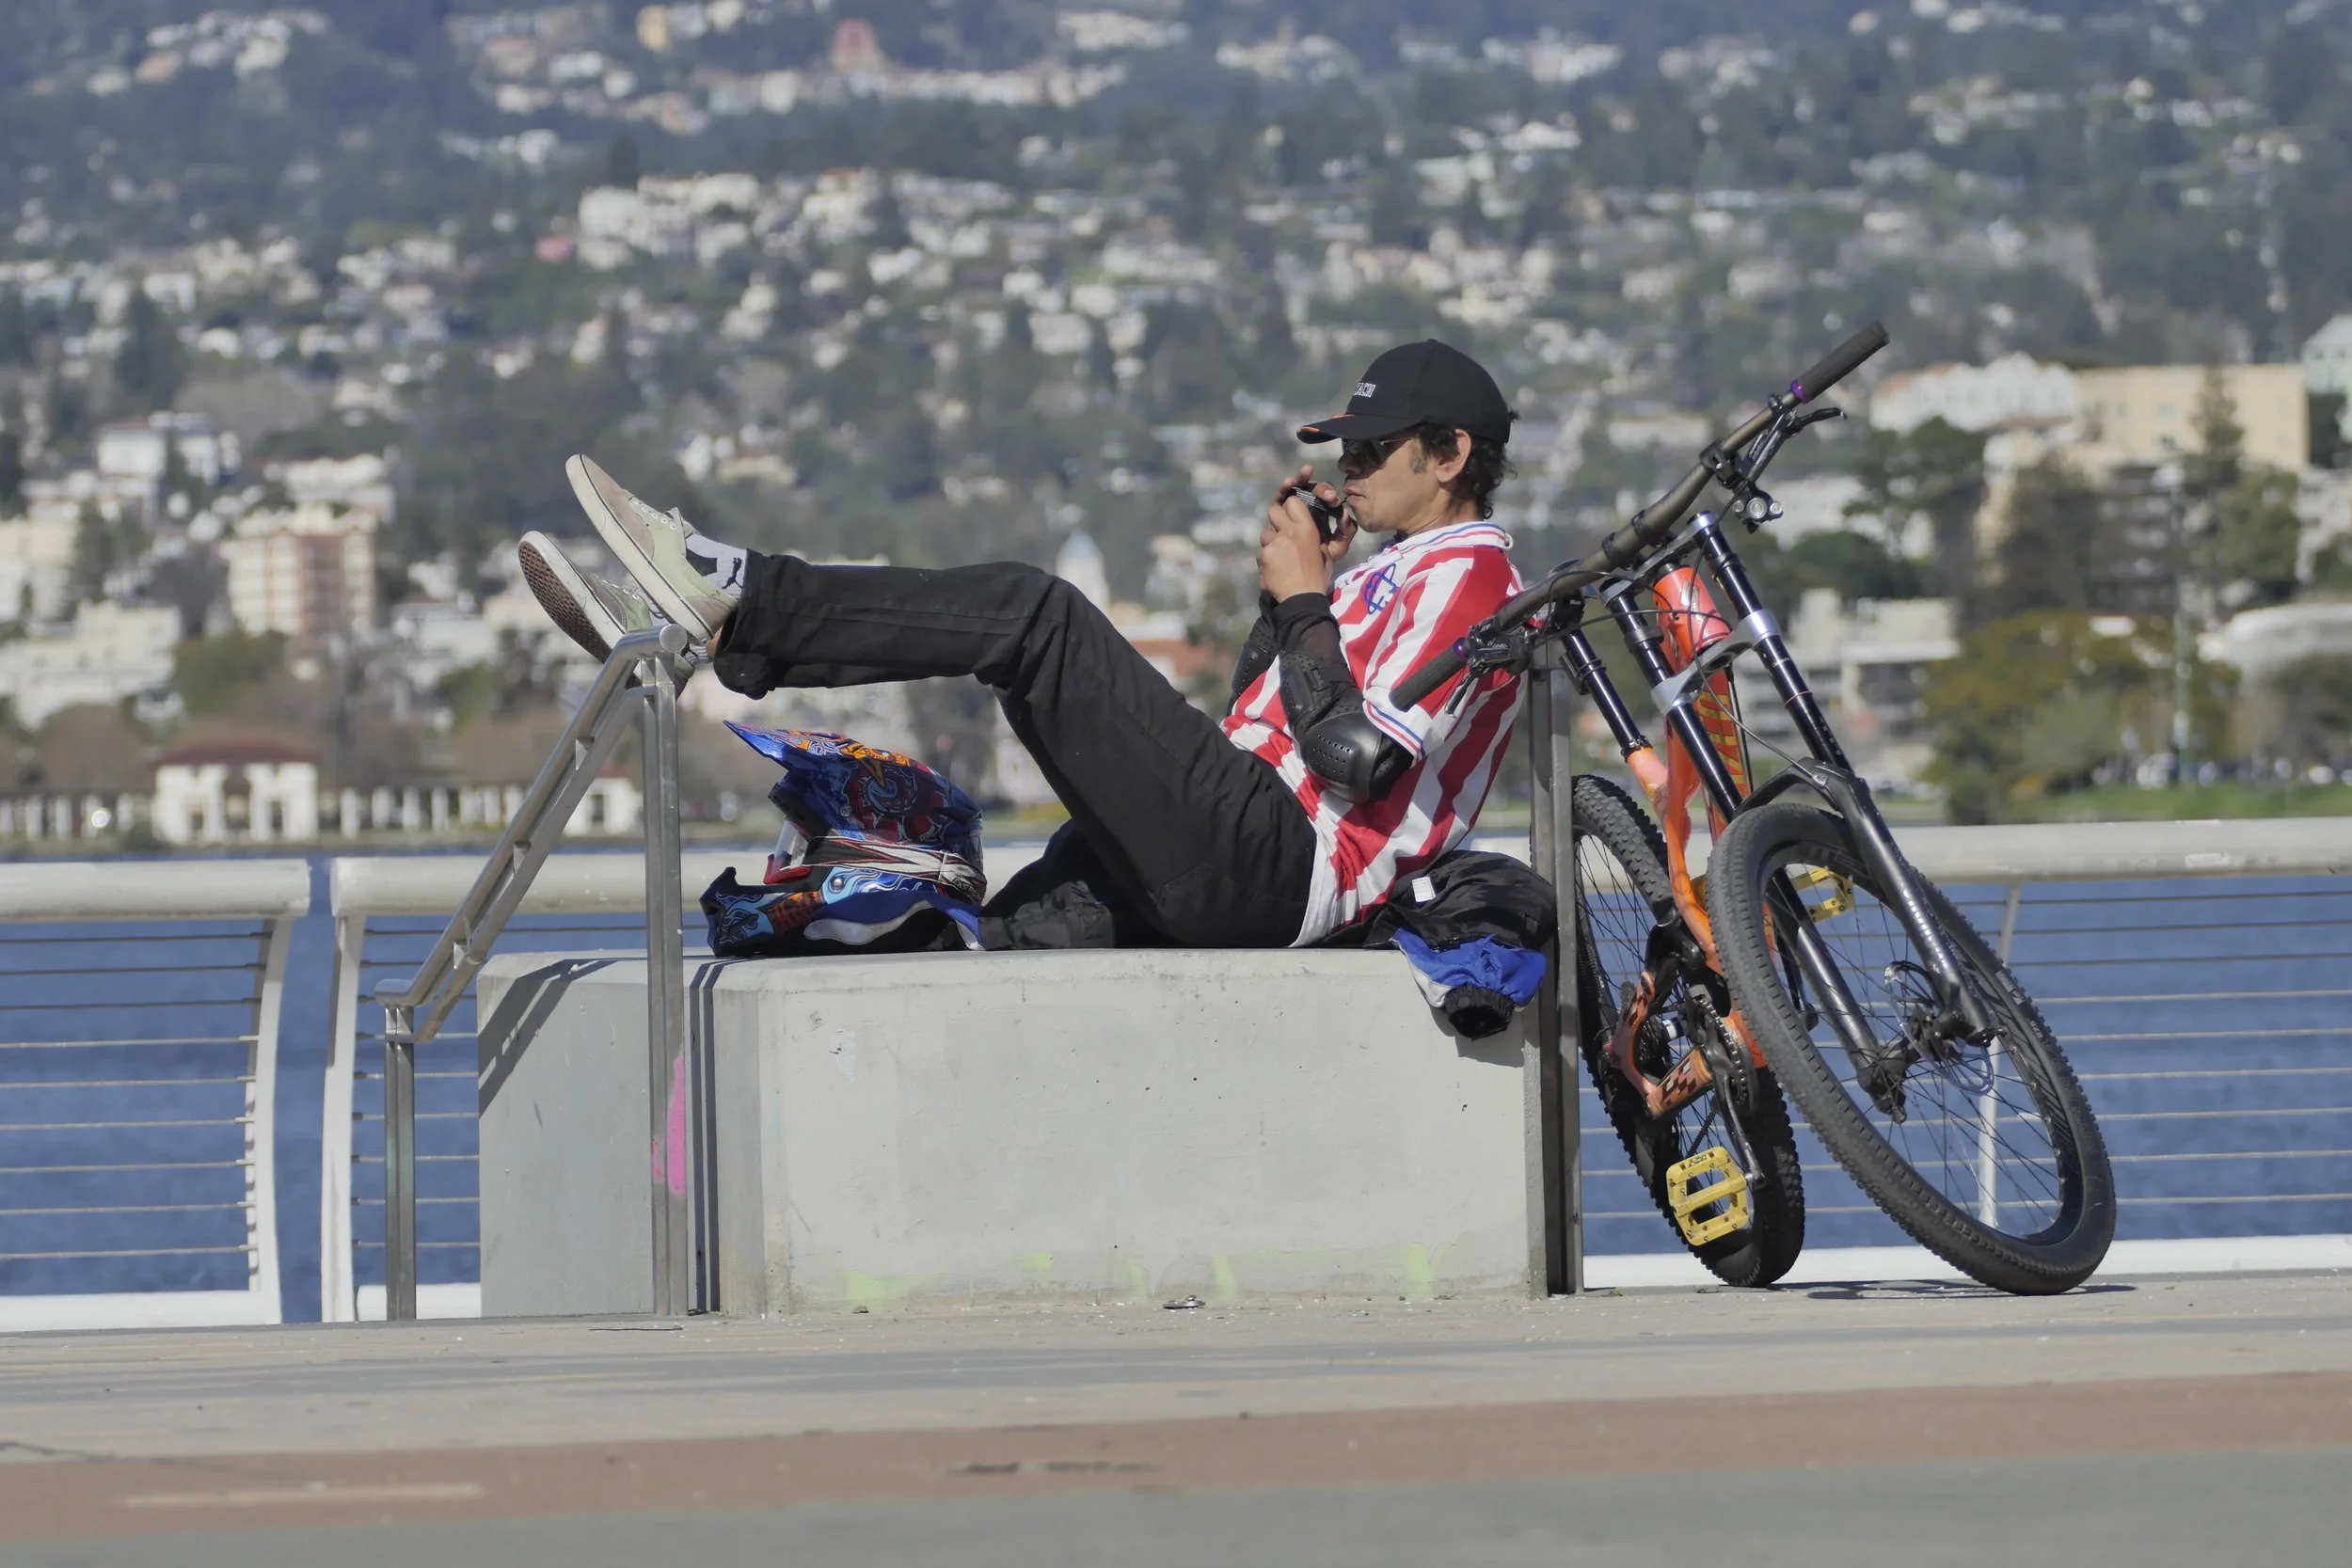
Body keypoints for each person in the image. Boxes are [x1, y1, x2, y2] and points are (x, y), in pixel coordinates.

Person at [527, 338, 1526, 949]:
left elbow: (1353, 757)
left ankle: (737, 596)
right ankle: (678, 632)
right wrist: (1283, 608)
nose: (1348, 468)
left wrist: (1305, 598)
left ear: (1449, 455)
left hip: (1288, 868)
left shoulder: (1475, 577)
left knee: (1034, 615)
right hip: (1246, 842)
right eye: (1343, 447)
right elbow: (1256, 724)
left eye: (1371, 448)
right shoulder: (1385, 569)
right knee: (982, 929)